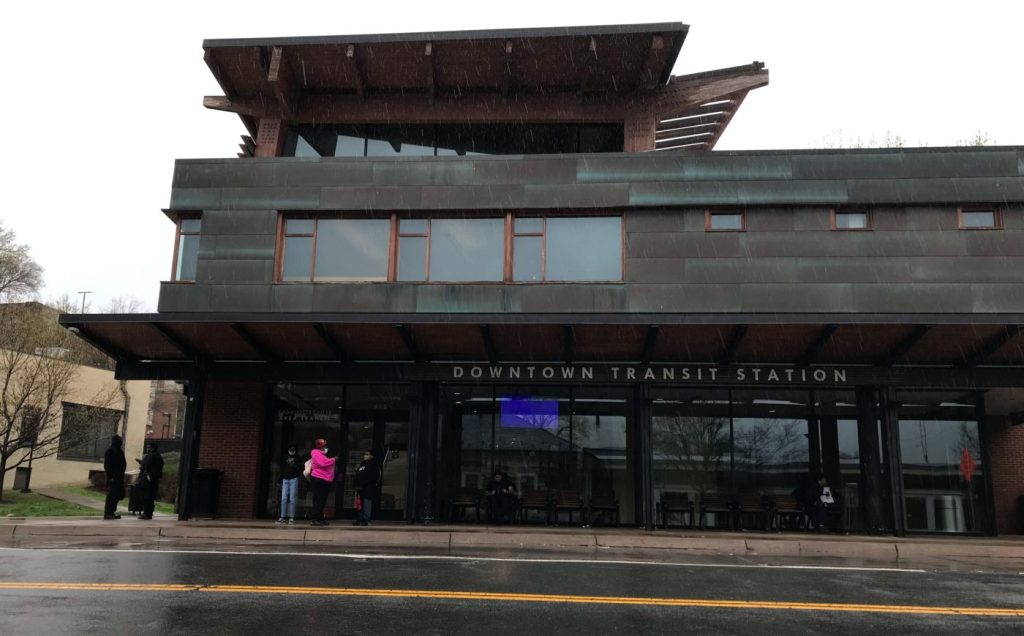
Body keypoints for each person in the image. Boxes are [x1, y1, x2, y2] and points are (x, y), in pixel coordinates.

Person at [309, 438, 335, 527]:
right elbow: (322, 463)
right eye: (324, 446)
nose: (326, 448)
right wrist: (333, 459)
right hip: (318, 479)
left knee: (322, 500)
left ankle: (320, 519)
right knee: (318, 500)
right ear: (320, 446)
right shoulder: (316, 453)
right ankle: (314, 519)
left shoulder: (321, 454)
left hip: (324, 479)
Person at [352, 450, 381, 526]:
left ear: (371, 456)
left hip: (368, 487)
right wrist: (356, 484)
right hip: (360, 488)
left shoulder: (374, 465)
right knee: (359, 504)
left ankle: (366, 520)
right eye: (364, 454)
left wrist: (363, 483)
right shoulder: (362, 464)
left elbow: (373, 476)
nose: (365, 456)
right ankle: (359, 519)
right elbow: (358, 474)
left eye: (367, 454)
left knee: (366, 503)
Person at [136, 442, 164, 520]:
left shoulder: (152, 456)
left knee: (146, 496)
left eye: (148, 447)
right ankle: (149, 513)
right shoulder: (159, 456)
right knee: (150, 497)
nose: (147, 449)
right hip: (154, 479)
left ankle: (146, 513)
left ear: (152, 448)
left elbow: (146, 465)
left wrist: (140, 462)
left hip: (148, 479)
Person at [102, 435, 127, 520]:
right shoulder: (110, 452)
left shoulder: (120, 452)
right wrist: (111, 477)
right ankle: (108, 513)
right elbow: (107, 466)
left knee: (117, 496)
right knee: (112, 496)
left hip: (119, 477)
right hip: (113, 478)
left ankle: (112, 512)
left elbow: (122, 464)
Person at [278, 444, 301, 524]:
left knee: (292, 498)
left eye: (293, 448)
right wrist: (279, 480)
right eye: (290, 448)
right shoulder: (284, 457)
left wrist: (293, 465)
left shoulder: (297, 457)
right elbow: (282, 469)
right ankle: (282, 517)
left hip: (293, 479)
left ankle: (291, 517)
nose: (291, 449)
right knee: (283, 498)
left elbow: (300, 468)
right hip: (285, 479)